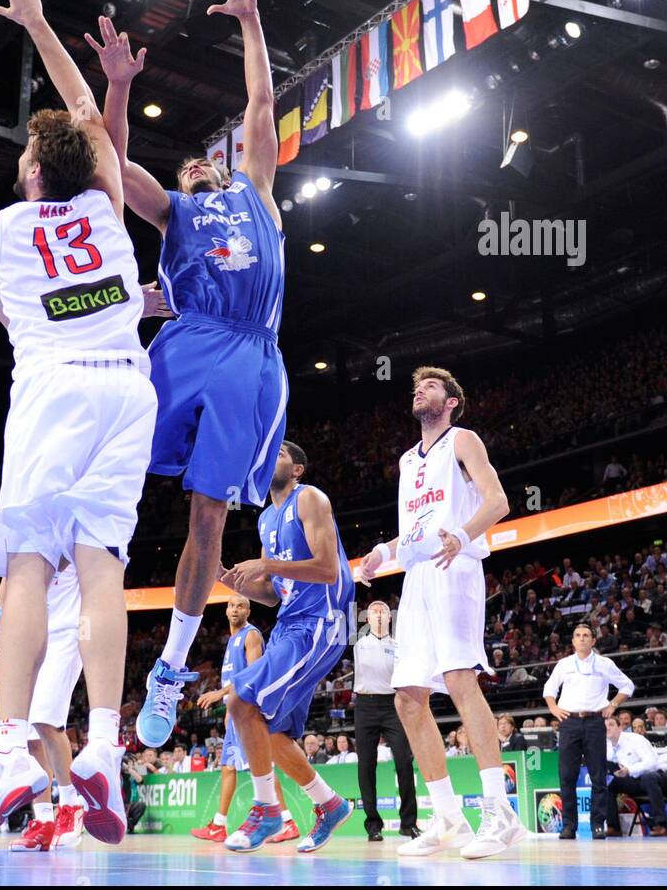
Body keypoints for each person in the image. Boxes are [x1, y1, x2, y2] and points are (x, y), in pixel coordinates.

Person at [0, 0, 157, 847]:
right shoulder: (112, 206)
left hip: (54, 383)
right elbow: (87, 107)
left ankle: (7, 755)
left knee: (27, 565)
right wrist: (44, 27)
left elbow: (8, 321)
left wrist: (27, 16)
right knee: (101, 563)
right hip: (128, 382)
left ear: (34, 171)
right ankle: (105, 745)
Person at [86, 0, 287, 750]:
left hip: (254, 359)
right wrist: (119, 86)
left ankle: (169, 667)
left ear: (228, 163)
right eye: (188, 165)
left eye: (209, 158)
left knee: (209, 517)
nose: (198, 165)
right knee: (117, 472)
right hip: (188, 343)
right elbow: (107, 161)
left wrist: (249, 18)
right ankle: (43, 592)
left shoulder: (260, 191)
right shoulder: (173, 214)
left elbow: (262, 102)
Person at [356, 366, 524, 860]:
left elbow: (498, 501)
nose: (418, 391)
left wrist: (462, 535)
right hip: (418, 576)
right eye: (416, 387)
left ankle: (500, 811)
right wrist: (382, 554)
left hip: (456, 566)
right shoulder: (408, 460)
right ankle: (448, 814)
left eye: (429, 386)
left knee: (459, 680)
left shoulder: (463, 440)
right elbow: (413, 532)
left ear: (451, 401)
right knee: (408, 699)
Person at [217, 442, 355, 853]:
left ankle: (267, 808)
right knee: (272, 732)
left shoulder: (309, 498)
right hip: (290, 622)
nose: (268, 457)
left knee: (242, 700)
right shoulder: (266, 519)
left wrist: (268, 565)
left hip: (323, 621)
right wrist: (229, 579)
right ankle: (329, 804)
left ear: (297, 468)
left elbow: (329, 570)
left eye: (278, 454)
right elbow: (273, 594)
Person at [0, 570, 88, 853]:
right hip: (29, 636)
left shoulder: (77, 532)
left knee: (46, 722)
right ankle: (45, 821)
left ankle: (71, 805)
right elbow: (1, 601)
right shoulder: (21, 537)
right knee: (30, 737)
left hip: (67, 634)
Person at [191, 595, 297, 844]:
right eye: (231, 605)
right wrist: (230, 708)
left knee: (261, 768)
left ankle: (287, 821)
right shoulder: (231, 641)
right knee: (228, 767)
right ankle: (219, 825)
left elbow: (254, 674)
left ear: (248, 611)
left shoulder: (250, 635)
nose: (235, 609)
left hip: (249, 713)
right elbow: (236, 681)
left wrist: (220, 694)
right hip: (236, 711)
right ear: (226, 611)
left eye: (240, 605)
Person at [543, 623, 635, 840]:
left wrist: (613, 704)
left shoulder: (604, 663)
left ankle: (597, 825)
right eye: (577, 635)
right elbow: (549, 690)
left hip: (595, 722)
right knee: (567, 776)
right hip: (569, 723)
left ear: (593, 641)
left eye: (586, 635)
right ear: (573, 641)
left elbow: (627, 686)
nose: (582, 638)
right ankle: (568, 826)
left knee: (598, 777)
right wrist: (554, 708)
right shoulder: (563, 664)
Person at [353, 600, 419, 842]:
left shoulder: (399, 646)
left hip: (393, 705)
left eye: (382, 610)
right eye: (373, 611)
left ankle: (408, 824)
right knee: (366, 765)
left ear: (390, 617)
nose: (378, 613)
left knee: (404, 761)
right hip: (365, 706)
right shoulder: (359, 644)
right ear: (367, 618)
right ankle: (373, 824)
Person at [605, 717, 667, 837]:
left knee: (648, 777)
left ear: (620, 727)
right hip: (634, 781)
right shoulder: (606, 745)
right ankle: (613, 826)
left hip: (658, 778)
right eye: (605, 726)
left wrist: (629, 770)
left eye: (611, 725)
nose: (607, 728)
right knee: (607, 783)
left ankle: (661, 825)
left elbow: (651, 762)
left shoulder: (635, 739)